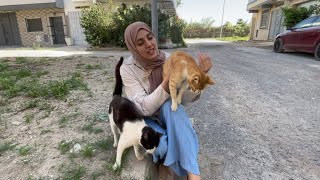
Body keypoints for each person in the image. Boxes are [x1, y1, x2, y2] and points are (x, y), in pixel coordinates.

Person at [120, 22, 212, 180]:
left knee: (171, 104)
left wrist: (197, 79)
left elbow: (184, 99)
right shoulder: (127, 69)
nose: (149, 44)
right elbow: (143, 108)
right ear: (133, 47)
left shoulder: (170, 60)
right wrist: (166, 83)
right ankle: (169, 159)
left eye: (150, 38)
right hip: (145, 117)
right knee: (162, 146)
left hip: (167, 113)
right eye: (140, 43)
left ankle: (194, 175)